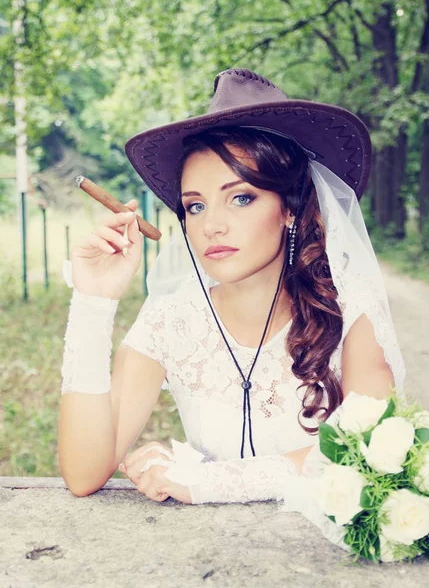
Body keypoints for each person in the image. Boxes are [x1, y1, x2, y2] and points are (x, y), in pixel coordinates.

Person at [58, 68, 405, 508]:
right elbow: (84, 472)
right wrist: (93, 300)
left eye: (241, 197)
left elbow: (371, 454)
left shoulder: (351, 307)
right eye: (196, 206)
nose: (211, 226)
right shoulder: (172, 318)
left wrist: (205, 481)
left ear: (291, 209)